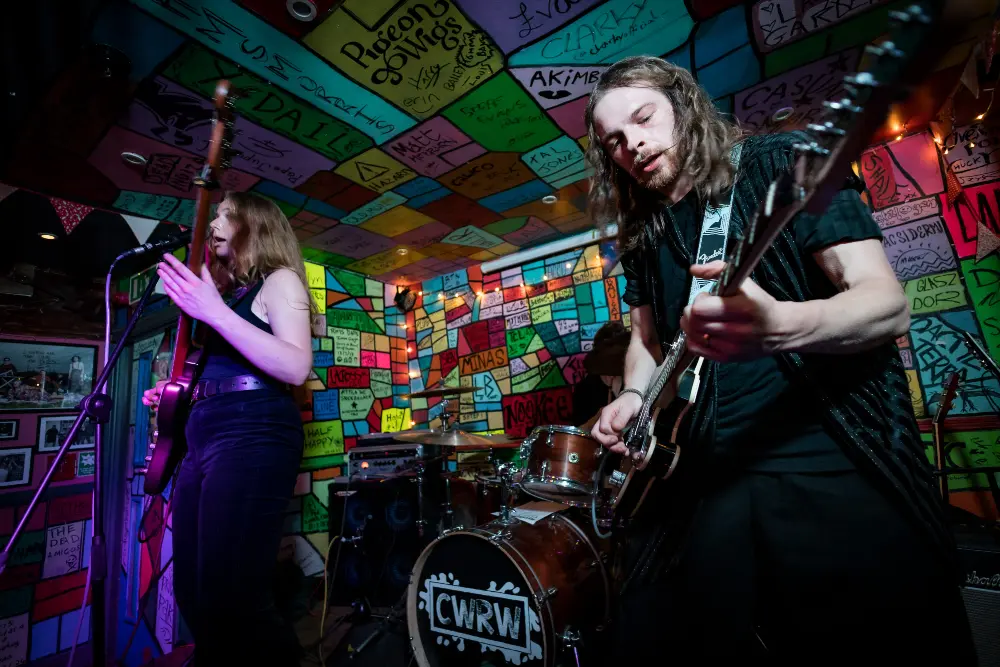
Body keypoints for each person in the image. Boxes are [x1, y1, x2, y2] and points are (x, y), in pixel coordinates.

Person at [586, 56, 975, 663]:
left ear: (684, 106)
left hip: (831, 455)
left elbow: (886, 304)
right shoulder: (644, 234)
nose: (631, 144)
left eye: (643, 117)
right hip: (710, 471)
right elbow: (646, 343)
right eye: (613, 140)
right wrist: (636, 398)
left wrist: (783, 326)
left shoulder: (784, 163)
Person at [143, 191, 313, 666]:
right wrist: (178, 394)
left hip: (254, 433)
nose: (214, 223)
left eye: (224, 214)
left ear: (253, 224)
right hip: (203, 438)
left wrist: (212, 309)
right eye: (214, 214)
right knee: (194, 590)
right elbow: (227, 368)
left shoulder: (280, 280)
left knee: (234, 594)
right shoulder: (233, 296)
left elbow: (296, 366)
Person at [572, 321, 628, 427]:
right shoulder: (584, 389)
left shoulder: (634, 384)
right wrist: (596, 419)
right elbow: (578, 432)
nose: (611, 372)